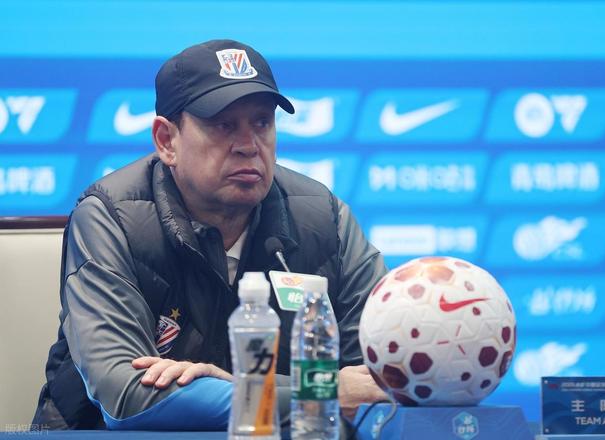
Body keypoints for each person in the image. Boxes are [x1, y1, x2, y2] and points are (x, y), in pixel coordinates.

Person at [32, 39, 388, 430]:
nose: (248, 146)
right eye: (223, 125)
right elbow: (127, 397)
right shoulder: (110, 219)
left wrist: (243, 389)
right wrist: (317, 392)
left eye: (262, 123)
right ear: (166, 140)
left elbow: (382, 379)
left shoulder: (324, 219)